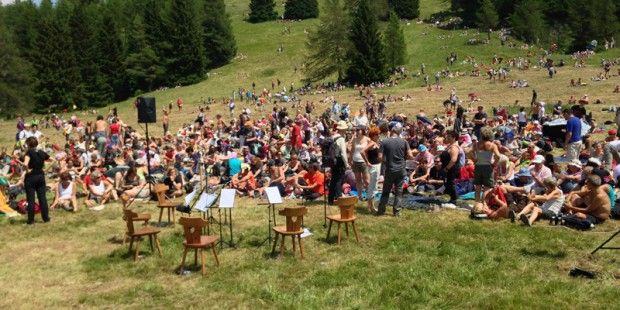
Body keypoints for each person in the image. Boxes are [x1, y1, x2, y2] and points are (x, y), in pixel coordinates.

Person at [377, 124, 412, 217]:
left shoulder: (384, 142)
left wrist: (386, 161)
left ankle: (381, 210)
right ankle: (397, 212)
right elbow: (410, 155)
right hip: (401, 169)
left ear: (392, 130)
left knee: (386, 191)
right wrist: (403, 158)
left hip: (390, 169)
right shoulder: (404, 142)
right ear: (399, 131)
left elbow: (380, 157)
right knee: (399, 191)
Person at [22, 137, 51, 224]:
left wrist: (27, 171)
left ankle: (31, 220)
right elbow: (52, 160)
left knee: (31, 199)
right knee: (42, 198)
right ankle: (46, 218)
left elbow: (25, 164)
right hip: (41, 176)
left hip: (31, 177)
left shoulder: (29, 152)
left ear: (28, 144)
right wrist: (46, 170)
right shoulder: (41, 152)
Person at [472, 127, 501, 202]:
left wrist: (474, 160)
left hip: (478, 166)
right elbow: (498, 156)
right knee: (487, 188)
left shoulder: (476, 144)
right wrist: (494, 164)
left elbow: (468, 152)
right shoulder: (492, 145)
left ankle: (477, 204)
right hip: (488, 167)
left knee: (477, 187)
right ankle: (483, 204)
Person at [328, 121, 349, 204]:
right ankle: (338, 197)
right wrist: (346, 164)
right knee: (339, 180)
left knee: (333, 180)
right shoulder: (341, 139)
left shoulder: (333, 137)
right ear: (343, 129)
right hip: (339, 161)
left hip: (333, 161)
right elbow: (343, 153)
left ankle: (330, 199)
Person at [362, 126, 381, 213]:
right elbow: (362, 151)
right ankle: (371, 207)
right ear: (373, 135)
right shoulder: (372, 143)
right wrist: (367, 162)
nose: (379, 136)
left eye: (379, 134)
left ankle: (370, 206)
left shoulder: (373, 143)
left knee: (372, 186)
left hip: (375, 166)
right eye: (377, 134)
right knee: (372, 187)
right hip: (374, 166)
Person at [350, 126, 370, 201]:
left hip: (364, 162)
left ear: (363, 130)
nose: (357, 131)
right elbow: (352, 151)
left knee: (367, 181)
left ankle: (369, 195)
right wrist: (350, 160)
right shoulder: (355, 139)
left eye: (358, 130)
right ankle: (360, 196)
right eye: (356, 130)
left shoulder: (367, 139)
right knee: (358, 180)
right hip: (355, 161)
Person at [441, 130, 462, 203]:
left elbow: (453, 160)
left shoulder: (454, 147)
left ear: (454, 138)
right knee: (449, 183)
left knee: (451, 183)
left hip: (452, 168)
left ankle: (454, 199)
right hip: (449, 168)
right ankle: (452, 197)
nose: (447, 137)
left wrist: (447, 168)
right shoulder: (450, 145)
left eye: (449, 136)